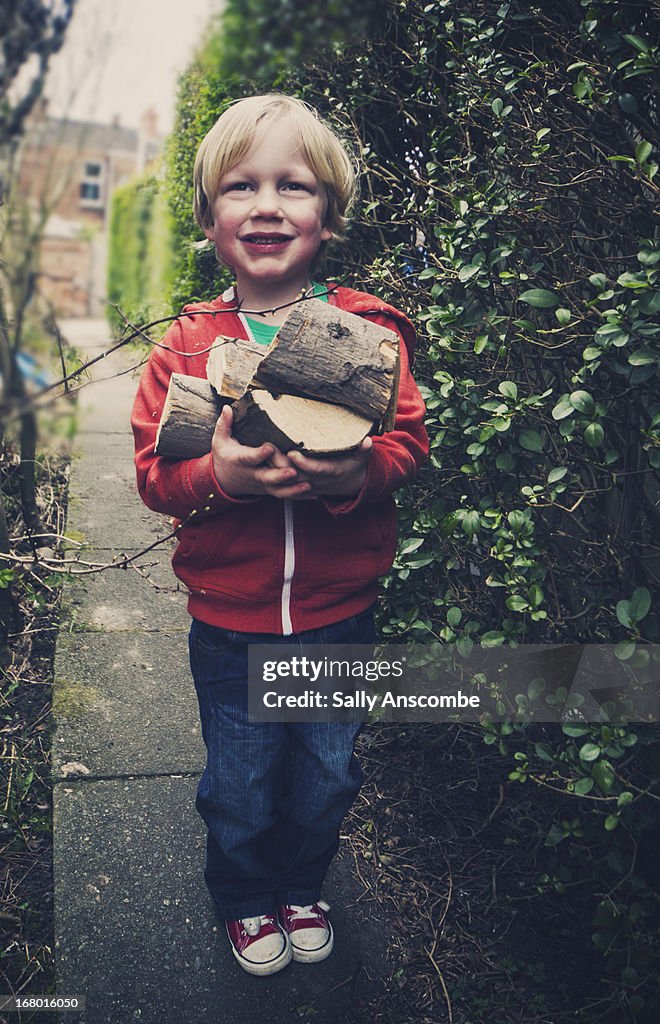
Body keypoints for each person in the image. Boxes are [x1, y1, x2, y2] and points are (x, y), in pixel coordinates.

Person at [131, 93, 428, 976]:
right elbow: (157, 477)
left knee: (328, 774)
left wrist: (356, 474)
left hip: (341, 612)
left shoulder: (368, 333)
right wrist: (220, 479)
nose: (266, 205)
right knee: (243, 782)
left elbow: (407, 441)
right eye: (240, 187)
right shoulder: (184, 351)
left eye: (292, 186)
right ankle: (243, 894)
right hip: (233, 622)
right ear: (210, 219)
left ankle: (303, 882)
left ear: (328, 215)